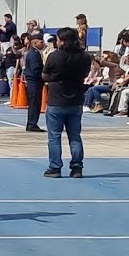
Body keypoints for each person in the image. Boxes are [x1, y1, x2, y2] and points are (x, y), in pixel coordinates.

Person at [42, 27, 93, 178]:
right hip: (76, 100)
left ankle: (55, 167)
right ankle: (77, 167)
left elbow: (45, 75)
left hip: (56, 100)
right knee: (75, 136)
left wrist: (54, 78)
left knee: (54, 136)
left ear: (62, 40)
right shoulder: (84, 56)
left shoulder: (54, 56)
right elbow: (85, 74)